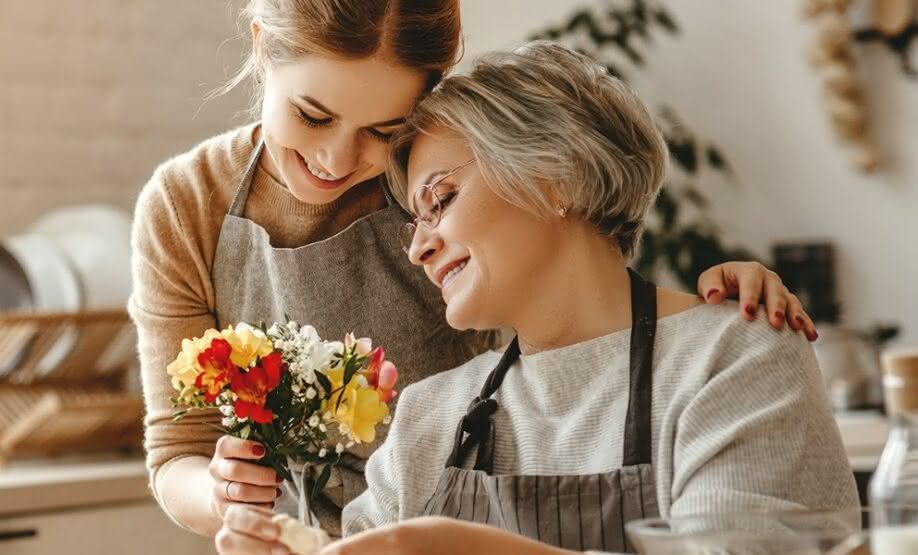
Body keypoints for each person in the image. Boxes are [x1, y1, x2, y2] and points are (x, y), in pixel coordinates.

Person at [131, 1, 820, 547]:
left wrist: (715, 315)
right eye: (313, 115)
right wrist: (249, 513)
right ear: (260, 50)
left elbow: (581, 281)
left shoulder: (729, 360)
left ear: (557, 178)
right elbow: (177, 449)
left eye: (439, 199)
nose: (340, 160)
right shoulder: (429, 420)